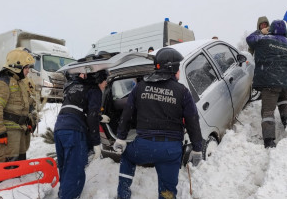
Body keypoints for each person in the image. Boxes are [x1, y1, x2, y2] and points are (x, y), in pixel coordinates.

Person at [113, 48, 203, 199]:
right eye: (178, 67)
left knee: (127, 156)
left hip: (144, 147)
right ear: (173, 68)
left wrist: (121, 138)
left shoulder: (140, 87)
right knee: (167, 192)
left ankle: (123, 194)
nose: (179, 72)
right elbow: (192, 120)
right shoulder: (182, 91)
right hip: (170, 150)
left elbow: (127, 114)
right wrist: (197, 148)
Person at [54, 70, 110, 199]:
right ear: (99, 78)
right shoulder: (94, 90)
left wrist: (99, 117)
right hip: (74, 131)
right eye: (105, 79)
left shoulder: (74, 86)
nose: (106, 83)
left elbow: (78, 107)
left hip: (60, 128)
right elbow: (91, 116)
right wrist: (96, 142)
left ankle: (63, 194)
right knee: (74, 169)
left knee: (65, 167)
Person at [246, 20, 287, 148]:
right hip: (286, 82)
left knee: (268, 111)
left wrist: (260, 32)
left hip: (270, 81)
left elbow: (249, 39)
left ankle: (269, 141)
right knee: (283, 101)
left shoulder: (264, 39)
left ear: (271, 29)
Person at [0, 47, 37, 163]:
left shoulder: (21, 83)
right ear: (16, 66)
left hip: (20, 132)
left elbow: (27, 105)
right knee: (5, 168)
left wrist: (30, 121)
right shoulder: (2, 82)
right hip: (7, 134)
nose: (28, 71)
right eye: (26, 67)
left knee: (19, 167)